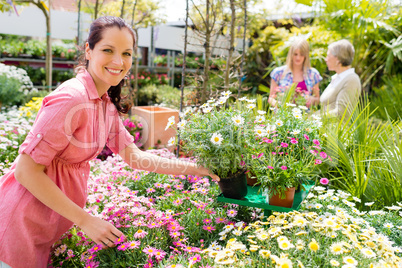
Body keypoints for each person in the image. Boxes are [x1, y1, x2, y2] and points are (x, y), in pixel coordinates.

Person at [0, 16, 219, 268]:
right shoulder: (72, 98)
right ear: (88, 50)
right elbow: (26, 170)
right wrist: (85, 220)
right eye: (108, 50)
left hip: (42, 227)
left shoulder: (103, 104)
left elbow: (136, 157)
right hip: (16, 225)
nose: (118, 61)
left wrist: (194, 168)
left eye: (126, 53)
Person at [269, 38, 322, 108]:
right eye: (295, 54)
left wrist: (312, 100)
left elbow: (318, 99)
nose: (298, 58)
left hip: (305, 115)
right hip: (283, 115)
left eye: (301, 54)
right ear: (291, 54)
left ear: (306, 55)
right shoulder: (278, 73)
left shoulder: (313, 74)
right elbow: (271, 98)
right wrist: (279, 105)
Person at [319, 39, 361, 119]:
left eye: (328, 56)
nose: (326, 59)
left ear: (338, 59)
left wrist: (315, 118)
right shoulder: (338, 78)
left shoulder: (351, 80)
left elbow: (342, 112)